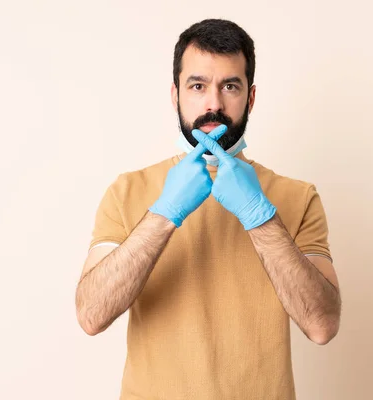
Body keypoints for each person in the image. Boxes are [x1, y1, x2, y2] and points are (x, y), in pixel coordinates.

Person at [75, 18, 342, 400]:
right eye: (197, 86)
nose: (213, 104)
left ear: (249, 98)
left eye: (229, 86)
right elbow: (91, 315)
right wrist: (164, 214)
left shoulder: (298, 198)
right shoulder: (127, 191)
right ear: (176, 95)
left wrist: (259, 215)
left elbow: (322, 325)